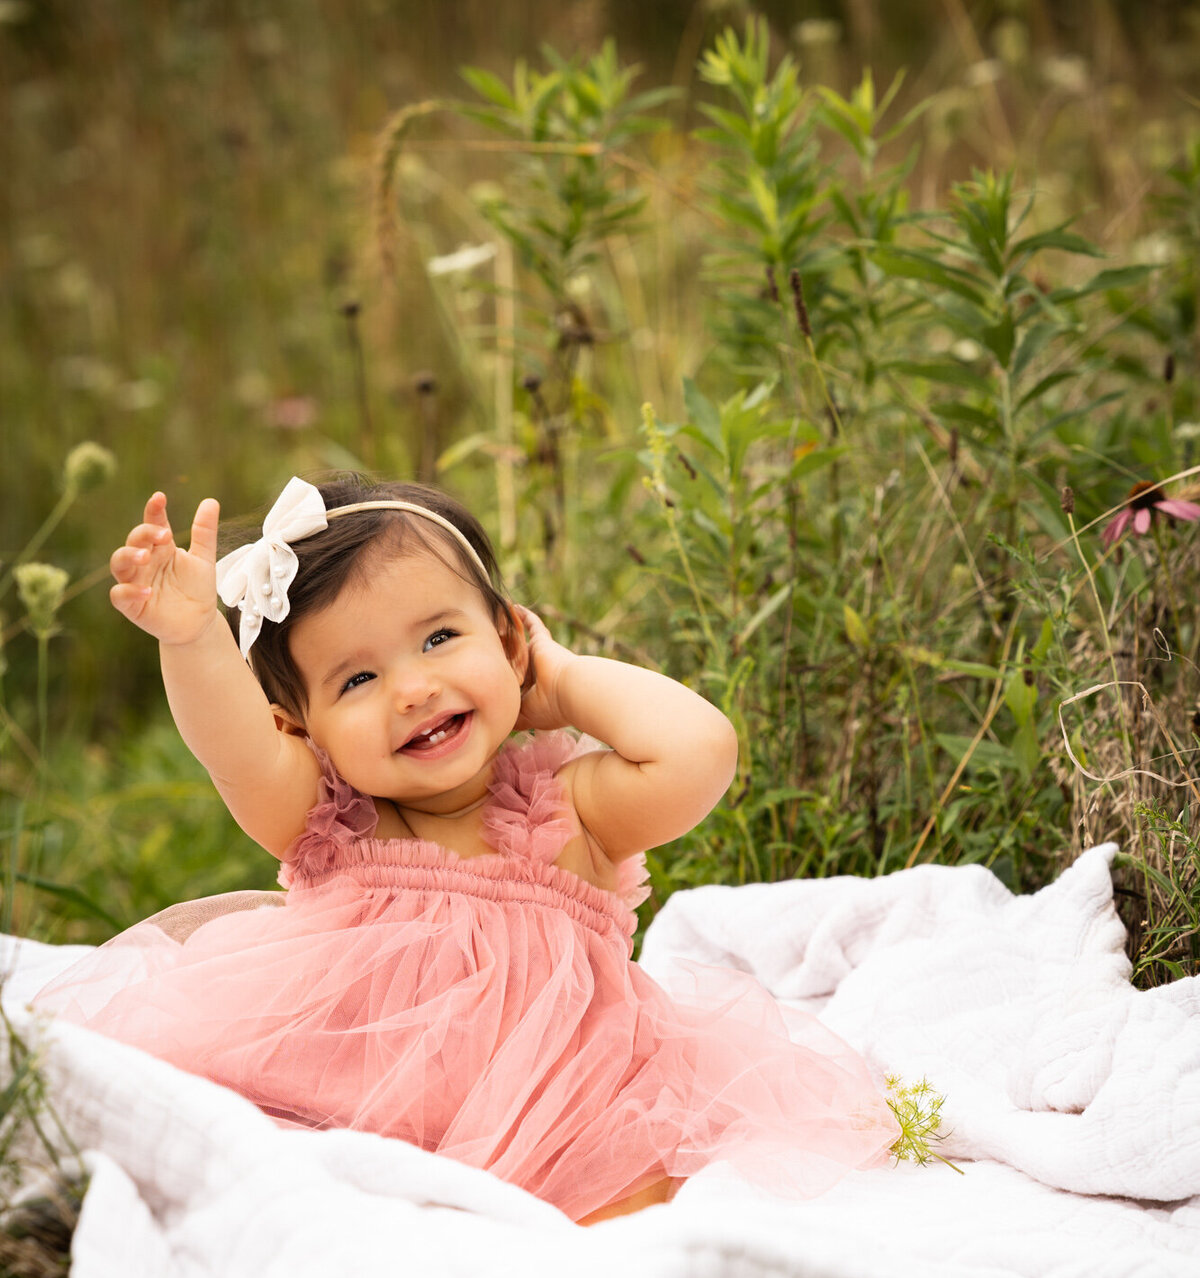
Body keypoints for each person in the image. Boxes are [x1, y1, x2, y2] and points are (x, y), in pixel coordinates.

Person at [33, 472, 898, 1224]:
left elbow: (699, 751)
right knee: (250, 1160)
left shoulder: (570, 815)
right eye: (358, 679)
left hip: (560, 1121)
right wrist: (192, 638)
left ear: (510, 639)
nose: (413, 689)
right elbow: (232, 744)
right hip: (346, 1094)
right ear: (302, 727)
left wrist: (555, 680)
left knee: (629, 1199)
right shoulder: (324, 816)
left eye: (440, 638)